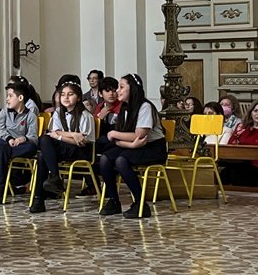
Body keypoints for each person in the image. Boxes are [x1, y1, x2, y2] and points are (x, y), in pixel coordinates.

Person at [98, 73, 167, 219]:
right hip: (132, 145)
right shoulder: (124, 108)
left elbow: (139, 135)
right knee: (105, 159)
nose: (117, 91)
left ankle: (140, 203)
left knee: (121, 161)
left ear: (133, 89)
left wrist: (114, 134)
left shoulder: (145, 106)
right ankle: (113, 200)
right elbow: (122, 138)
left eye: (121, 87)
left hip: (153, 147)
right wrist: (129, 145)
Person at [30, 79, 95, 214]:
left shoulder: (85, 115)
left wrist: (60, 136)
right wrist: (72, 134)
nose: (66, 97)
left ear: (78, 98)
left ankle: (40, 196)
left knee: (44, 148)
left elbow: (81, 141)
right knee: (42, 153)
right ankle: (49, 185)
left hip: (81, 150)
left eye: (70, 94)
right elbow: (53, 132)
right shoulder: (58, 112)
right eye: (63, 94)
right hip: (65, 147)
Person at [0, 79, 39, 205]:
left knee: (30, 147)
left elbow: (33, 136)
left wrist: (23, 138)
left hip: (17, 145)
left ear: (20, 98)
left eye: (10, 96)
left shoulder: (31, 116)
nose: (7, 99)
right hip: (1, 141)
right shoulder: (4, 111)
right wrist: (8, 138)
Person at [223, 99, 258, 187]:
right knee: (224, 173)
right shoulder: (241, 127)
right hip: (238, 162)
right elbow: (231, 143)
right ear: (251, 113)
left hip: (257, 165)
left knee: (237, 173)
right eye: (255, 111)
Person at [94, 76, 122, 154]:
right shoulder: (99, 107)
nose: (111, 94)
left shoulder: (123, 107)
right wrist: (100, 118)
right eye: (107, 91)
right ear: (100, 94)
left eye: (114, 90)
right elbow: (94, 131)